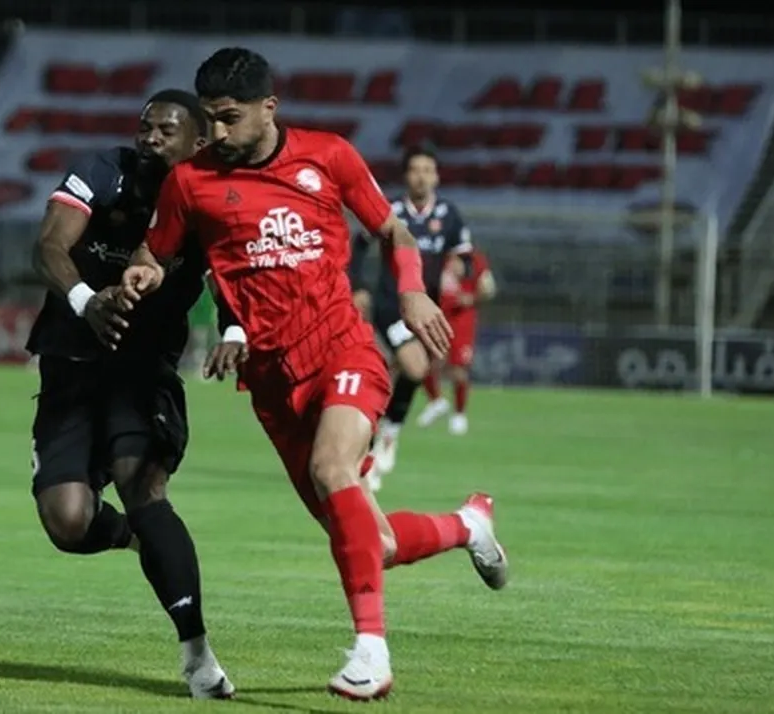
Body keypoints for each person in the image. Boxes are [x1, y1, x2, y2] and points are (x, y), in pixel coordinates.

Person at [121, 48, 509, 701]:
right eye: (210, 119)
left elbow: (393, 231)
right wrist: (143, 270)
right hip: (273, 385)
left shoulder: (328, 156)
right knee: (373, 544)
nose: (216, 132)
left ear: (268, 108)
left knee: (333, 469)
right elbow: (155, 251)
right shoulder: (189, 182)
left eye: (229, 117)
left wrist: (413, 291)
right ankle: (468, 525)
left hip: (343, 350)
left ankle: (371, 654)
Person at [24, 89, 235, 699]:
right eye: (145, 127)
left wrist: (236, 330)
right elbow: (49, 245)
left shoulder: (207, 199)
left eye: (166, 131)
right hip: (69, 367)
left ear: (198, 143)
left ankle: (197, 654)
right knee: (67, 522)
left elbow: (229, 275)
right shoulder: (101, 171)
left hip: (143, 374)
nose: (150, 138)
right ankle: (139, 537)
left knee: (141, 487)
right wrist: (87, 301)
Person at [349, 146, 474, 487]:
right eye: (415, 170)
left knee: (396, 375)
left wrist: (458, 267)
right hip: (392, 305)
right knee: (415, 367)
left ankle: (372, 444)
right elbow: (358, 245)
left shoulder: (448, 215)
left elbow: (466, 257)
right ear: (406, 175)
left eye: (427, 170)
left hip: (427, 310)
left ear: (437, 176)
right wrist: (359, 286)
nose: (421, 177)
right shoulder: (390, 210)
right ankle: (387, 437)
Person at [418, 247, 496, 434]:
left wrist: (472, 298)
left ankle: (459, 414)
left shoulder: (475, 259)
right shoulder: (437, 253)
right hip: (437, 315)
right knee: (423, 362)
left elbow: (489, 288)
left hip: (462, 320)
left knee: (458, 369)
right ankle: (436, 401)